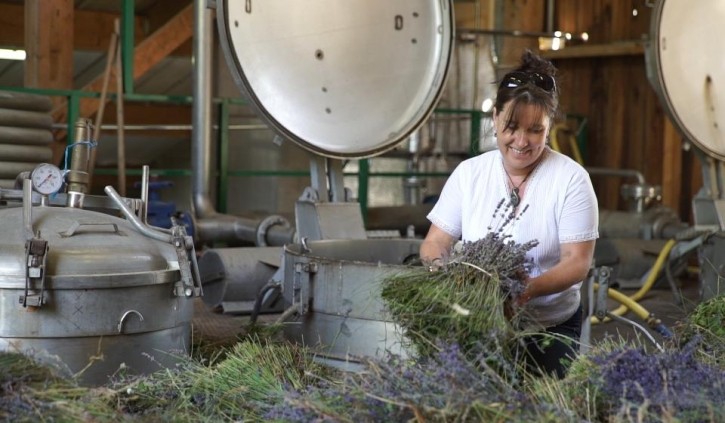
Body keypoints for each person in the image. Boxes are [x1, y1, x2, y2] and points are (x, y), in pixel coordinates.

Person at [419, 50, 599, 378]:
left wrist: (524, 290)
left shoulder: (571, 179)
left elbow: (578, 262)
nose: (521, 140)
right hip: (478, 319)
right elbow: (435, 242)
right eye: (511, 126)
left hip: (549, 326)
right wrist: (450, 280)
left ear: (549, 127)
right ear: (495, 119)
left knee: (538, 404)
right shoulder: (469, 174)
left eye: (535, 130)